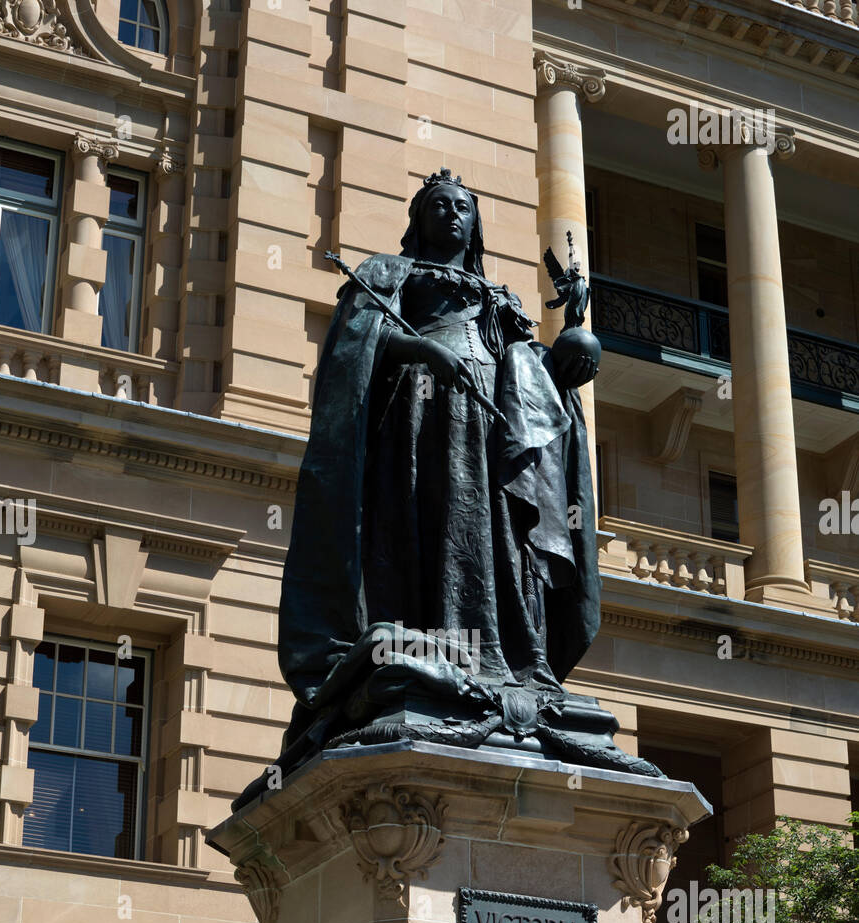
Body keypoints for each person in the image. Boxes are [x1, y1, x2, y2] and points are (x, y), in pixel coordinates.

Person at [232, 169, 658, 810]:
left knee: (496, 537)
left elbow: (540, 376)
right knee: (426, 525)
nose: (452, 213)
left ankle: (508, 658)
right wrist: (425, 354)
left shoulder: (499, 295)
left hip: (493, 422)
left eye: (462, 205)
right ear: (419, 217)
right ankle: (428, 641)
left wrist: (574, 347)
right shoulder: (386, 276)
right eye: (438, 205)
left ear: (476, 220)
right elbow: (354, 350)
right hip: (421, 416)